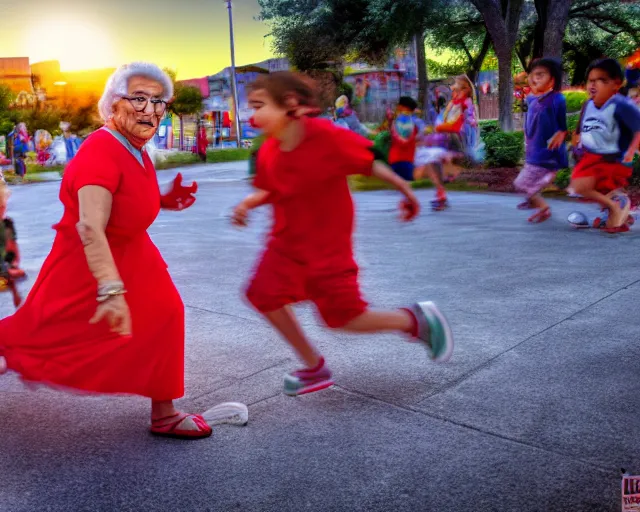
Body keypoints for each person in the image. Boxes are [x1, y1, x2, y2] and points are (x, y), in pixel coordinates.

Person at [0, 62, 212, 439]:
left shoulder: (133, 145)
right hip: (89, 259)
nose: (151, 110)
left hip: (132, 249)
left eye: (160, 101)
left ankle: (163, 413)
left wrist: (163, 200)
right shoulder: (101, 150)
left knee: (166, 314)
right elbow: (90, 225)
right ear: (113, 105)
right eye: (139, 99)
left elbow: (123, 197)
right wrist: (110, 290)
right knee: (46, 333)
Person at [232, 72, 454, 397]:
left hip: (326, 251)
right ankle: (313, 367)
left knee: (343, 317)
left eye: (259, 105)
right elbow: (272, 189)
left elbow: (369, 163)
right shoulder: (268, 152)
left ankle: (415, 321)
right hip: (285, 246)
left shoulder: (324, 136)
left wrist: (407, 192)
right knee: (261, 294)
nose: (252, 116)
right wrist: (249, 203)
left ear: (290, 103)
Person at [570, 58, 640, 232]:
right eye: (591, 81)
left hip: (612, 157)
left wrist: (630, 152)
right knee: (594, 189)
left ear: (616, 84)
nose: (594, 85)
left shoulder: (621, 105)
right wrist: (576, 146)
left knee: (583, 186)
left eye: (602, 80)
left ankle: (617, 207)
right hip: (590, 156)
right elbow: (580, 129)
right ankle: (619, 211)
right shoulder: (588, 105)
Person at [513, 58, 568, 223]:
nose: (535, 78)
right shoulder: (531, 99)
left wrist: (561, 135)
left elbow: (562, 127)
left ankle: (541, 204)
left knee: (521, 184)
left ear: (552, 80)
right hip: (533, 152)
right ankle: (537, 199)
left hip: (545, 154)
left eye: (540, 75)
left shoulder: (557, 99)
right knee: (524, 184)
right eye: (533, 75)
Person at [421, 75, 483, 211]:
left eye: (460, 87)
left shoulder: (466, 104)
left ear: (467, 90)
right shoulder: (453, 104)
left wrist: (440, 128)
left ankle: (446, 182)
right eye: (455, 87)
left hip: (456, 138)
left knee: (439, 160)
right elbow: (443, 119)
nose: (455, 89)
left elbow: (461, 124)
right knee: (433, 161)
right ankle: (440, 193)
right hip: (446, 137)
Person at [386, 96, 425, 181]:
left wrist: (390, 123)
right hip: (407, 159)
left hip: (395, 159)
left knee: (399, 187)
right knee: (406, 187)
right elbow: (418, 138)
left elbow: (396, 137)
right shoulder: (417, 122)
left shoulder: (398, 121)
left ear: (402, 106)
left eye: (398, 105)